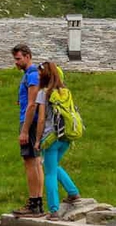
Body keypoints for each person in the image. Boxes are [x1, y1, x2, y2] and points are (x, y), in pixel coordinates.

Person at [32, 61, 81, 216]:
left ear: (45, 75)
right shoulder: (66, 91)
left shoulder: (43, 93)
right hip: (66, 136)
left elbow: (41, 120)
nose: (38, 76)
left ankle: (54, 211)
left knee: (50, 173)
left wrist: (38, 140)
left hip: (51, 138)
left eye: (40, 74)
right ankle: (73, 192)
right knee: (52, 165)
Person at [11, 44, 44, 216]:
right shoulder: (31, 75)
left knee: (30, 162)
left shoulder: (32, 75)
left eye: (18, 59)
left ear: (28, 56)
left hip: (29, 122)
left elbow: (32, 104)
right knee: (36, 162)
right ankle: (38, 203)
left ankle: (33, 203)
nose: (16, 63)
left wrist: (24, 131)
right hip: (32, 122)